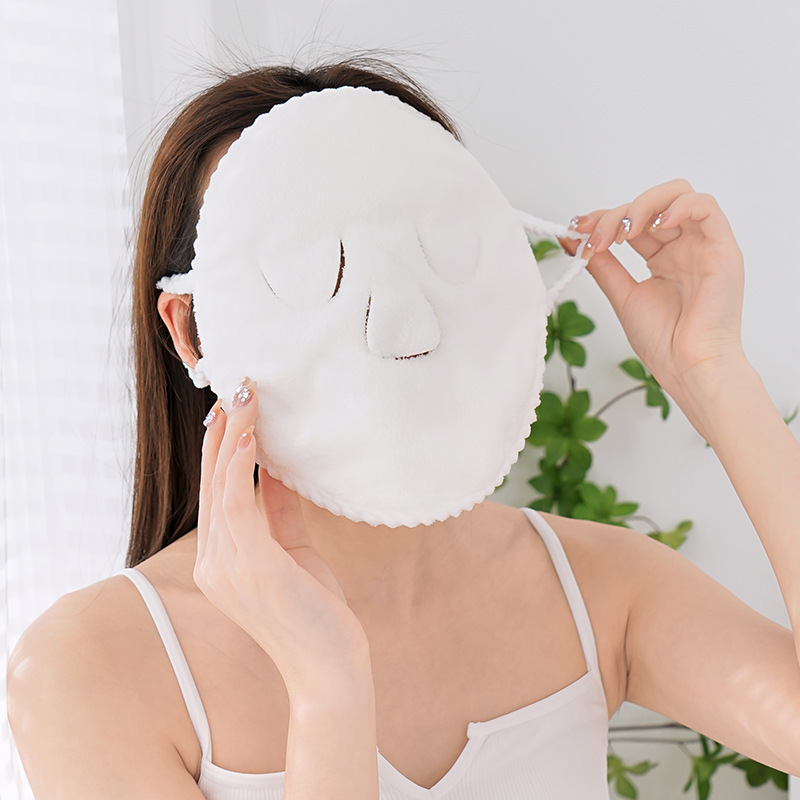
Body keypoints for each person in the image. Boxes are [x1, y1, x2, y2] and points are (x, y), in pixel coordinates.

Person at [6, 57, 800, 800]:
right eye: (315, 267)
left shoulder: (597, 586)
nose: (399, 316)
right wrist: (327, 687)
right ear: (190, 330)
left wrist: (711, 372)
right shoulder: (88, 667)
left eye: (433, 247)